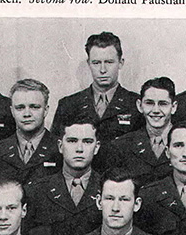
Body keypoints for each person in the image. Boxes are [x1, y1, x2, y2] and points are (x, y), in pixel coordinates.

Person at [51, 31, 143, 172]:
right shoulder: (69, 104)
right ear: (89, 64)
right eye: (96, 63)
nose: (102, 70)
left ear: (121, 63)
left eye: (109, 62)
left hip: (120, 185)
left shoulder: (136, 104)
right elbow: (57, 151)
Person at [24, 120, 103, 235]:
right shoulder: (35, 192)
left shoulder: (108, 190)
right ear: (60, 146)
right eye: (72, 141)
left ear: (96, 148)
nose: (79, 148)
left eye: (87, 141)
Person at [0, 79, 62, 184]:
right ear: (12, 111)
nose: (27, 114)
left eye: (34, 107)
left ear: (46, 110)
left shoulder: (61, 150)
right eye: (20, 108)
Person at [102, 77, 179, 188]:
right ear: (139, 105)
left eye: (163, 103)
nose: (156, 110)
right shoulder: (121, 146)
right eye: (149, 103)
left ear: (173, 107)